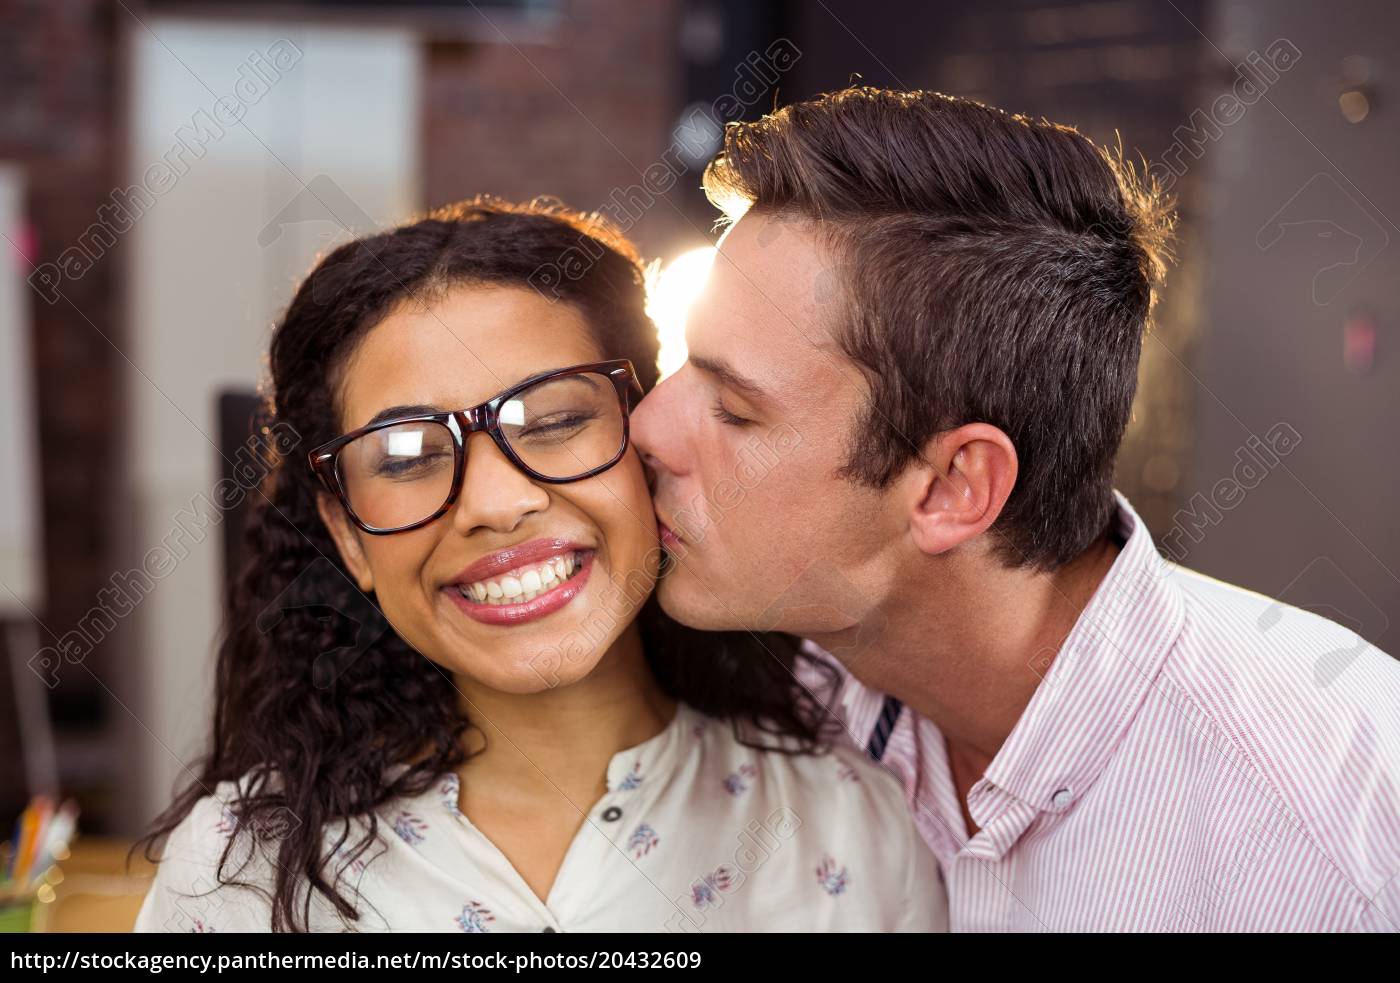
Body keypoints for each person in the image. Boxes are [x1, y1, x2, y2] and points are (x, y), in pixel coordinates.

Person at [631, 86, 1400, 932]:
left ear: (955, 486)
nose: (646, 426)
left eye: (736, 410)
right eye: (680, 363)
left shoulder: (1341, 844)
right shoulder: (752, 682)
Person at [131, 198, 946, 933]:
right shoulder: (236, 876)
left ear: (649, 443)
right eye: (408, 456)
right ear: (348, 533)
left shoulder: (852, 833)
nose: (494, 500)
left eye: (553, 419)